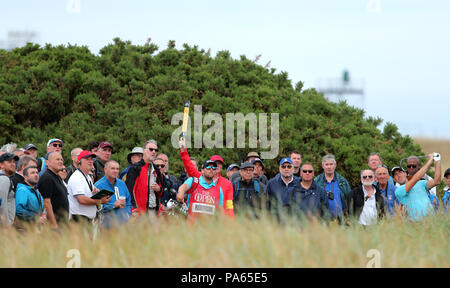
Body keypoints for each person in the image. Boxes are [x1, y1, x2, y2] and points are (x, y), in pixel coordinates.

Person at [178, 137, 234, 218]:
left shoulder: (226, 185)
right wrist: (183, 151)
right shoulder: (196, 179)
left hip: (210, 226)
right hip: (192, 226)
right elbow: (188, 168)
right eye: (208, 167)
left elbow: (227, 206)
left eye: (218, 165)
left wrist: (229, 221)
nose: (212, 169)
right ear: (203, 170)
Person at [125, 140, 167, 216]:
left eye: (156, 150)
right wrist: (134, 208)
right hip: (139, 212)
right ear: (144, 151)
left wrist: (159, 189)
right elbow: (129, 190)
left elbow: (163, 191)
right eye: (151, 149)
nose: (154, 152)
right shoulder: (135, 168)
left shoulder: (157, 169)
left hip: (154, 211)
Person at [68, 150, 111, 224]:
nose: (90, 161)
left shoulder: (86, 176)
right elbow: (81, 200)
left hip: (86, 219)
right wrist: (100, 201)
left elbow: (88, 194)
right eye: (87, 159)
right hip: (79, 219)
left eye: (92, 159)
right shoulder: (77, 177)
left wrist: (96, 192)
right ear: (79, 161)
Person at [396, 153, 441, 221]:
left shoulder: (421, 183)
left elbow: (437, 181)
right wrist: (430, 161)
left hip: (430, 221)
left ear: (405, 173)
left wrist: (437, 160)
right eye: (395, 175)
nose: (398, 176)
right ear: (394, 179)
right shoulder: (398, 190)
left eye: (400, 173)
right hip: (414, 223)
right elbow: (416, 178)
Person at [314, 154, 351, 222]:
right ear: (323, 166)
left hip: (341, 219)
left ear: (335, 165)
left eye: (331, 164)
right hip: (322, 219)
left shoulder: (343, 182)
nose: (329, 167)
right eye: (327, 164)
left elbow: (349, 199)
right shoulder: (316, 181)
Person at [95, 160, 132, 228]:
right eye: (112, 168)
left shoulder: (122, 184)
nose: (115, 171)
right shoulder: (99, 185)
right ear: (105, 170)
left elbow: (128, 201)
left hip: (124, 225)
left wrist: (128, 214)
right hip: (107, 226)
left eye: (117, 169)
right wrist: (113, 205)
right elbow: (97, 206)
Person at [38, 151, 69, 229]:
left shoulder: (57, 176)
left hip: (63, 222)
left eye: (61, 159)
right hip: (54, 224)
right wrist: (54, 224)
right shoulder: (46, 178)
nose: (60, 161)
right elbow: (46, 202)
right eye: (57, 159)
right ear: (47, 162)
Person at [266, 158, 300, 222]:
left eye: (289, 166)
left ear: (293, 169)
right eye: (283, 167)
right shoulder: (271, 183)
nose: (286, 169)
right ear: (279, 169)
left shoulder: (300, 183)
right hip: (276, 222)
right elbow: (267, 204)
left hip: (295, 222)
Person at [0, 153, 19, 227]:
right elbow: (1, 203)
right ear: (1, 165)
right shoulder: (4, 179)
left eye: (13, 162)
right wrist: (6, 225)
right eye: (9, 162)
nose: (13, 164)